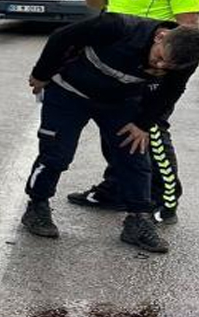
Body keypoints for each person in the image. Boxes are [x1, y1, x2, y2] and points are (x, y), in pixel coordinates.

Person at [21, 13, 199, 253]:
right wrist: (41, 74)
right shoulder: (115, 26)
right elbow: (61, 37)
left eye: (167, 67)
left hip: (121, 102)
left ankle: (138, 219)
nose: (159, 67)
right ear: (160, 36)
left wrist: (143, 125)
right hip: (69, 92)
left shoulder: (185, 56)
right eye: (159, 58)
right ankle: (37, 205)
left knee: (135, 155)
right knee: (56, 155)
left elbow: (171, 91)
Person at [71, 0, 199, 224]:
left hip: (154, 71)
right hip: (116, 69)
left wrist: (159, 68)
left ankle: (165, 199)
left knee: (150, 131)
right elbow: (93, 3)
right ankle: (117, 188)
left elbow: (189, 31)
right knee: (114, 131)